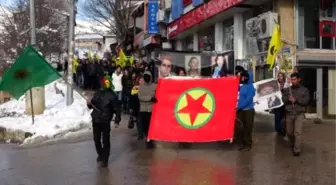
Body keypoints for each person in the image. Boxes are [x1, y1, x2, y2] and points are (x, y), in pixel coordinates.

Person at [87, 75, 121, 168]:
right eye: (103, 82)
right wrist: (89, 103)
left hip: (105, 121)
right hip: (96, 120)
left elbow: (117, 109)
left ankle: (105, 159)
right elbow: (92, 106)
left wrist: (117, 120)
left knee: (105, 141)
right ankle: (101, 154)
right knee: (96, 139)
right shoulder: (98, 92)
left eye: (106, 82)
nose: (104, 84)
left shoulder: (112, 95)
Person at [282, 73, 309, 156]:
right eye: (292, 79)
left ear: (298, 79)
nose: (293, 81)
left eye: (294, 79)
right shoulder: (287, 90)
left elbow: (306, 101)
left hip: (299, 113)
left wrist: (296, 100)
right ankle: (294, 142)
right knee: (289, 132)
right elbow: (283, 100)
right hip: (289, 113)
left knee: (297, 132)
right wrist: (288, 99)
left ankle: (297, 149)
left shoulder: (304, 90)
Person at [236, 70, 256, 151]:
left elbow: (248, 100)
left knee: (248, 128)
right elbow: (236, 87)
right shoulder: (243, 86)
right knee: (240, 128)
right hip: (241, 111)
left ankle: (248, 144)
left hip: (248, 111)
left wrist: (238, 107)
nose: (242, 78)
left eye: (243, 77)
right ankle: (241, 143)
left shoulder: (251, 87)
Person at [138, 71, 157, 148]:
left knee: (151, 126)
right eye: (145, 76)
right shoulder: (141, 86)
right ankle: (147, 136)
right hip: (143, 109)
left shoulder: (154, 86)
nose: (146, 78)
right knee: (145, 126)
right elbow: (140, 97)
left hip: (152, 109)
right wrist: (150, 98)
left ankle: (150, 140)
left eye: (148, 76)